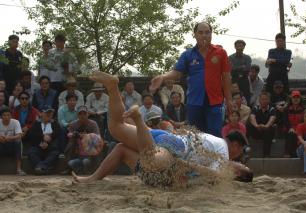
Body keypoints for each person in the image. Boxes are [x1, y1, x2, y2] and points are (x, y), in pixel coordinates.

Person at [72, 71, 253, 185]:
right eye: (241, 163)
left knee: (116, 130)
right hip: (175, 150)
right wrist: (186, 164)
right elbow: (213, 173)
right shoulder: (222, 154)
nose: (239, 162)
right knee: (151, 158)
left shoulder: (214, 145)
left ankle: (112, 87)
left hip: (169, 144)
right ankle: (137, 118)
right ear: (235, 146)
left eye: (241, 166)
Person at [150, 22, 232, 137]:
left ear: (211, 34)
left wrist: (229, 100)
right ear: (195, 35)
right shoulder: (188, 55)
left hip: (215, 101)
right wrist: (163, 77)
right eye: (201, 32)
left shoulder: (221, 53)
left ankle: (215, 155)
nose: (204, 35)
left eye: (207, 32)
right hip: (194, 101)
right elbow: (177, 72)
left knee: (214, 134)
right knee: (195, 135)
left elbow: (226, 77)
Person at [65, 105, 101, 174]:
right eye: (80, 114)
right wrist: (74, 134)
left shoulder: (93, 124)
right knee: (71, 162)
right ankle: (69, 168)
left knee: (86, 161)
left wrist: (87, 136)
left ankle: (94, 169)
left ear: (87, 114)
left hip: (90, 151)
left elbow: (98, 137)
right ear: (77, 115)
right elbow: (69, 134)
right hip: (78, 152)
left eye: (84, 113)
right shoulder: (73, 124)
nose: (82, 116)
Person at [26, 106, 60, 175]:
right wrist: (41, 140)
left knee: (55, 153)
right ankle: (44, 167)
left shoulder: (55, 124)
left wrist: (49, 138)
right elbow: (31, 136)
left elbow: (57, 133)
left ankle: (40, 167)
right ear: (41, 114)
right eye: (47, 112)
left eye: (50, 113)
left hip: (50, 147)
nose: (49, 114)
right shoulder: (36, 124)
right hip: (38, 147)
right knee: (31, 152)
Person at [248, 92, 276, 157]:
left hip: (267, 131)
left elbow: (272, 119)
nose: (264, 101)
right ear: (259, 100)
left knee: (271, 129)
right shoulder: (255, 108)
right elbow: (252, 117)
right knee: (248, 125)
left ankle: (266, 155)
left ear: (269, 100)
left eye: (266, 99)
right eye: (262, 99)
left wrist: (266, 126)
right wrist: (256, 125)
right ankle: (246, 151)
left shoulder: (272, 109)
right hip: (257, 130)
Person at [0, 107, 25, 175]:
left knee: (18, 142)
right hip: (1, 146)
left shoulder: (15, 122)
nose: (6, 117)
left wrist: (10, 138)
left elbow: (19, 135)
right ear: (1, 116)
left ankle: (18, 169)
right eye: (4, 115)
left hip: (11, 146)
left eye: (8, 115)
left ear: (11, 116)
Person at [229, 40, 252, 104]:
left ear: (244, 47)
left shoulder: (247, 58)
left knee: (246, 98)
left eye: (241, 46)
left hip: (244, 80)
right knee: (233, 97)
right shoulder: (230, 57)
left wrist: (236, 68)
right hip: (234, 80)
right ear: (235, 47)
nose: (239, 47)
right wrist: (242, 67)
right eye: (238, 46)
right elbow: (231, 69)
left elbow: (247, 69)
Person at [284, 90, 304, 158]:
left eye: (297, 97)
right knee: (291, 134)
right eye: (294, 97)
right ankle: (287, 153)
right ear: (291, 99)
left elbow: (303, 122)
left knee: (297, 134)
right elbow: (285, 121)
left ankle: (295, 154)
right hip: (289, 128)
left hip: (300, 129)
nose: (296, 99)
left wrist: (298, 129)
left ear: (300, 99)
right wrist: (290, 128)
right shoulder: (286, 109)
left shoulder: (304, 109)